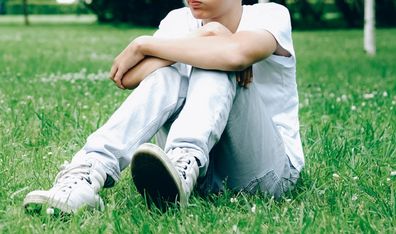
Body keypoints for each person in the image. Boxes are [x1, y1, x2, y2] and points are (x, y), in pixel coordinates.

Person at [23, 0, 304, 214]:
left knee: (218, 63)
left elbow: (236, 54)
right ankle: (88, 172)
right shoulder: (179, 20)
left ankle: (186, 158)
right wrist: (202, 38)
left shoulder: (269, 15)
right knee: (168, 74)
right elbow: (129, 76)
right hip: (197, 174)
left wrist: (147, 45)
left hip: (266, 171)